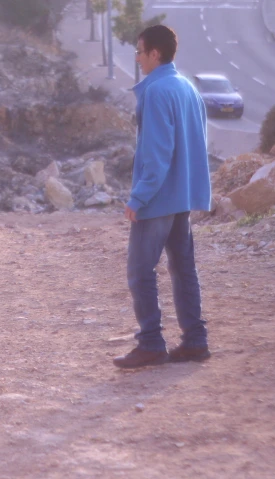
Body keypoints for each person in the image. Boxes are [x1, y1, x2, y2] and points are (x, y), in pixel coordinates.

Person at [113, 25, 212, 368]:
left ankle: (152, 344)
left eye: (140, 52)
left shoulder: (156, 92)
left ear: (155, 53)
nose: (138, 58)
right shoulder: (187, 87)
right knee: (183, 269)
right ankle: (195, 341)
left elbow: (157, 154)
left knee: (140, 272)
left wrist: (138, 198)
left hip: (158, 199)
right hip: (182, 197)